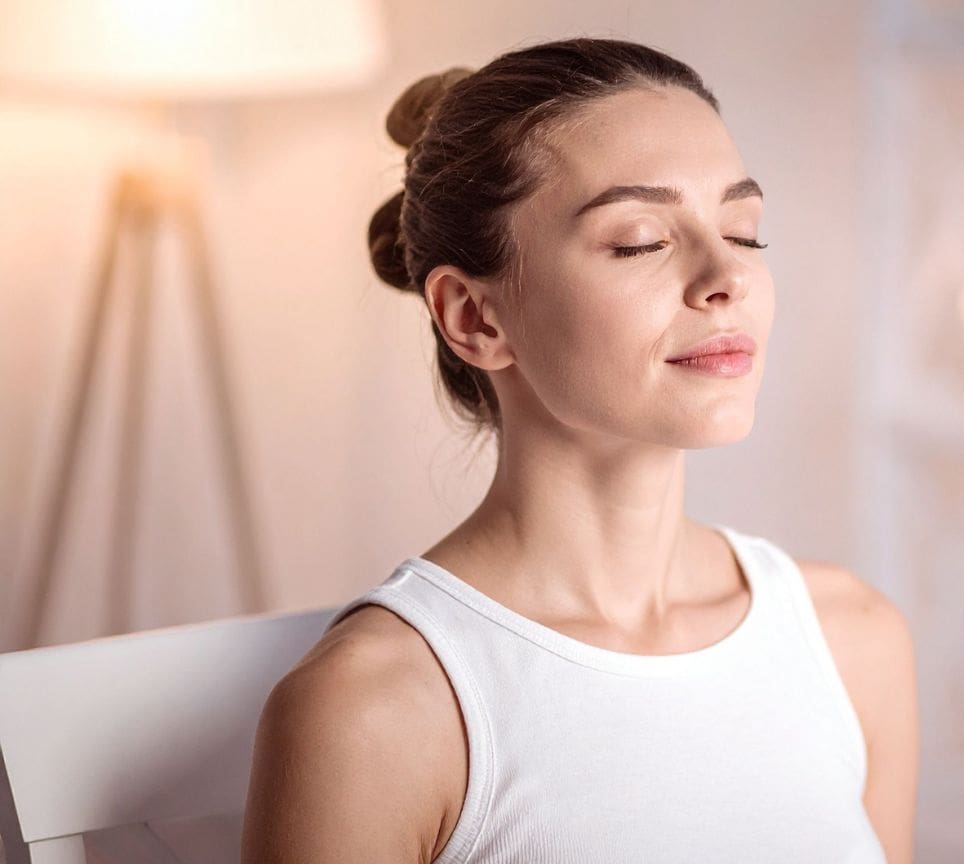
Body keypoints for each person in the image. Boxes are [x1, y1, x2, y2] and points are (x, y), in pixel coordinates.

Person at [240, 37, 918, 864]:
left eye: (744, 231)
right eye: (639, 241)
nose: (726, 277)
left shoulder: (852, 639)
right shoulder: (378, 709)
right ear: (475, 320)